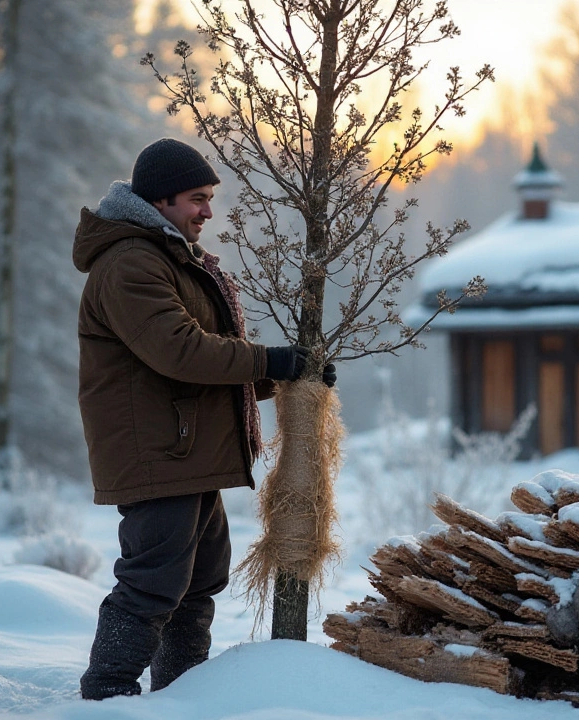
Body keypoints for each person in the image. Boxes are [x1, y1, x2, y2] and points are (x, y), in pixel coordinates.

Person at [73, 138, 333, 700]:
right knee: (153, 582)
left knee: (198, 581)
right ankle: (105, 698)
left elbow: (201, 365)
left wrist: (285, 376)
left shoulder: (165, 257)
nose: (208, 211)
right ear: (160, 200)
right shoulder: (130, 264)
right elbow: (182, 351)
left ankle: (180, 698)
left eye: (209, 197)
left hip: (186, 452)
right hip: (158, 455)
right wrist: (271, 359)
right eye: (198, 198)